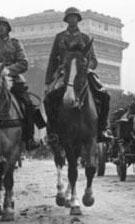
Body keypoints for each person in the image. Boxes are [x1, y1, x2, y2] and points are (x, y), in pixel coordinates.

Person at [0, 16, 44, 151]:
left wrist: (7, 71)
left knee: (28, 105)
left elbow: (24, 63)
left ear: (8, 29)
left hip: (11, 80)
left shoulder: (15, 43)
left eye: (4, 26)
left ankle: (29, 138)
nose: (1, 28)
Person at [43, 7, 114, 143]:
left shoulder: (85, 38)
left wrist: (86, 67)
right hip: (64, 74)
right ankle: (51, 132)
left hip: (82, 72)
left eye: (74, 17)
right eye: (69, 17)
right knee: (49, 99)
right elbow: (53, 60)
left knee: (104, 96)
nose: (72, 19)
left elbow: (94, 60)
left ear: (78, 19)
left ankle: (102, 128)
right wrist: (48, 82)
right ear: (66, 19)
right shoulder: (59, 37)